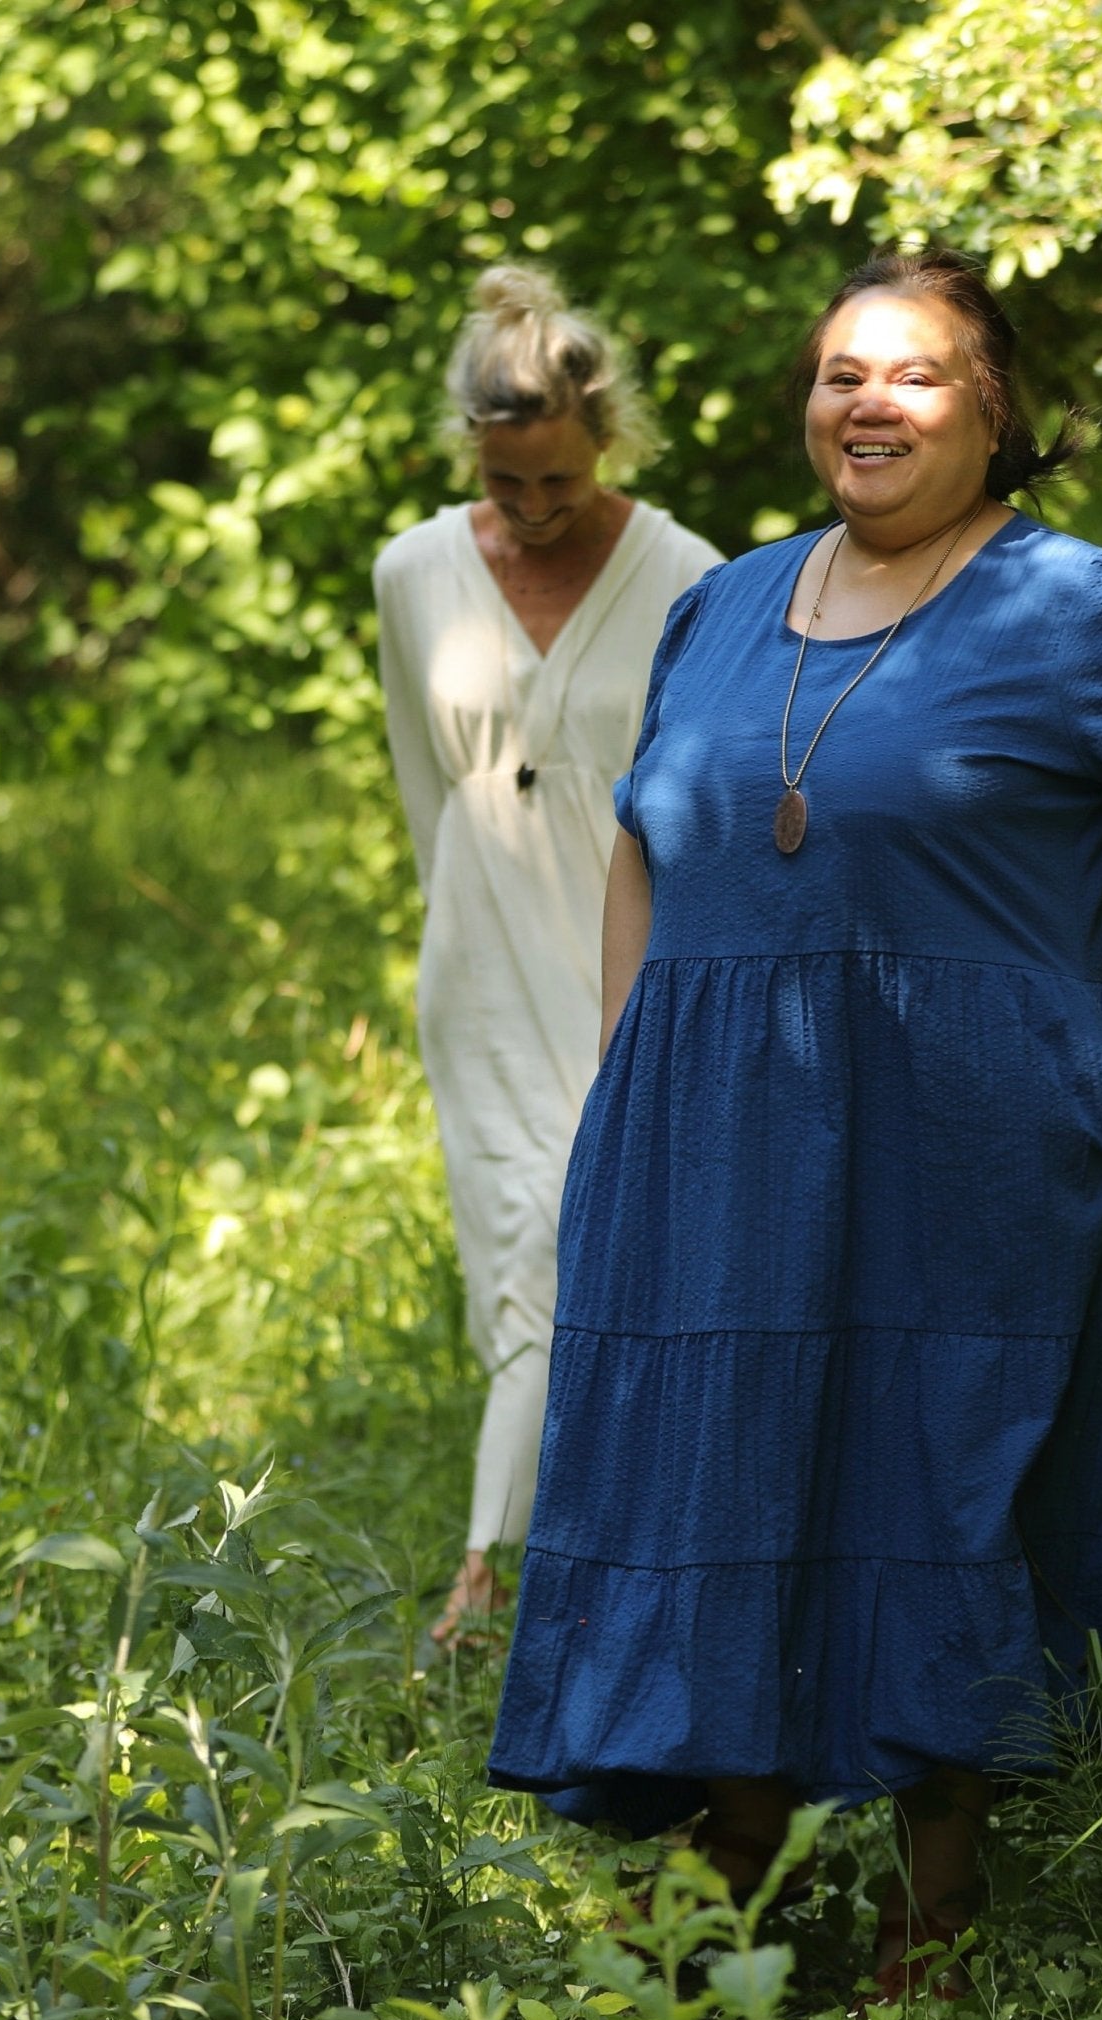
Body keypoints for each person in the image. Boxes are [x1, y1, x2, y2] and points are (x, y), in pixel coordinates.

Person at [487, 245, 1102, 1999]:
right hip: (718, 1142)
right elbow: (646, 837)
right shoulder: (725, 606)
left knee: (939, 1464)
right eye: (842, 374)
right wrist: (638, 1065)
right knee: (723, 1466)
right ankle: (735, 1846)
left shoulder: (1076, 606)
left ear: (993, 411)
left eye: (917, 375)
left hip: (970, 1138)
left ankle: (937, 1903)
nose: (870, 404)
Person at [375, 263, 723, 1650]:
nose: (533, 507)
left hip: (629, 953)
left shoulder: (688, 574)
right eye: (506, 481)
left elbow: (702, 797)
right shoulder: (413, 573)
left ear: (608, 438)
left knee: (597, 1237)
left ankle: (505, 1565)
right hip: (478, 958)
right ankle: (524, 1552)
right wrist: (445, 945)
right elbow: (424, 784)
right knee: (514, 1242)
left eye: (560, 480)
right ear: (471, 448)